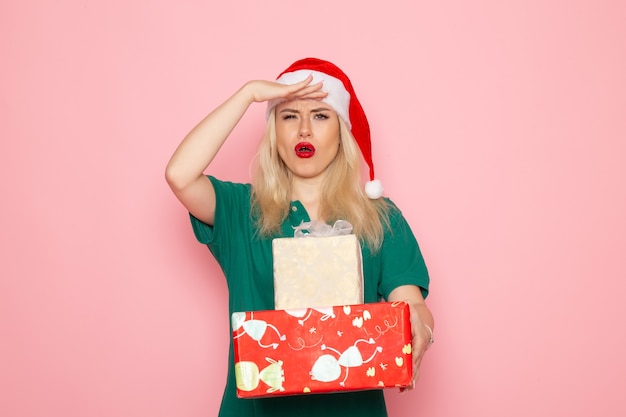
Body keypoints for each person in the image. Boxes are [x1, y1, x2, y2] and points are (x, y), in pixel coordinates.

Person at [165, 58, 434, 417]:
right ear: (274, 131)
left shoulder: (380, 217)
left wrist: (421, 326)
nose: (304, 130)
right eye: (289, 116)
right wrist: (249, 94)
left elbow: (411, 304)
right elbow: (180, 175)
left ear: (342, 130)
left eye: (321, 115)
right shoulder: (242, 211)